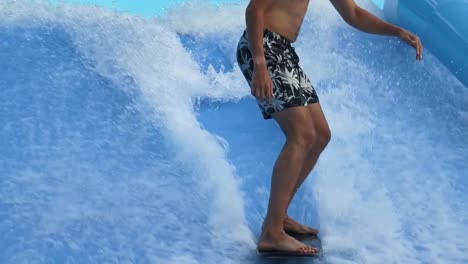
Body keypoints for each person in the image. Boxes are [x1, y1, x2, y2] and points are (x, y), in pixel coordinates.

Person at [236, 0, 423, 256]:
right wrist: (259, 63)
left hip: (283, 51)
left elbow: (354, 14)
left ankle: (278, 218)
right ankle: (272, 234)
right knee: (301, 135)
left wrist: (396, 31)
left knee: (321, 135)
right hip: (263, 48)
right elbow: (254, 9)